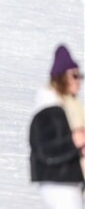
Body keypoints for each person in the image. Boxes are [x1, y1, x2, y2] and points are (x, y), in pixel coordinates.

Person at [30, 45, 85, 208]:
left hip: (70, 181)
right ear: (62, 78)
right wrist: (74, 142)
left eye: (80, 75)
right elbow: (45, 150)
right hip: (57, 183)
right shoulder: (48, 109)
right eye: (74, 76)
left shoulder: (70, 107)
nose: (79, 80)